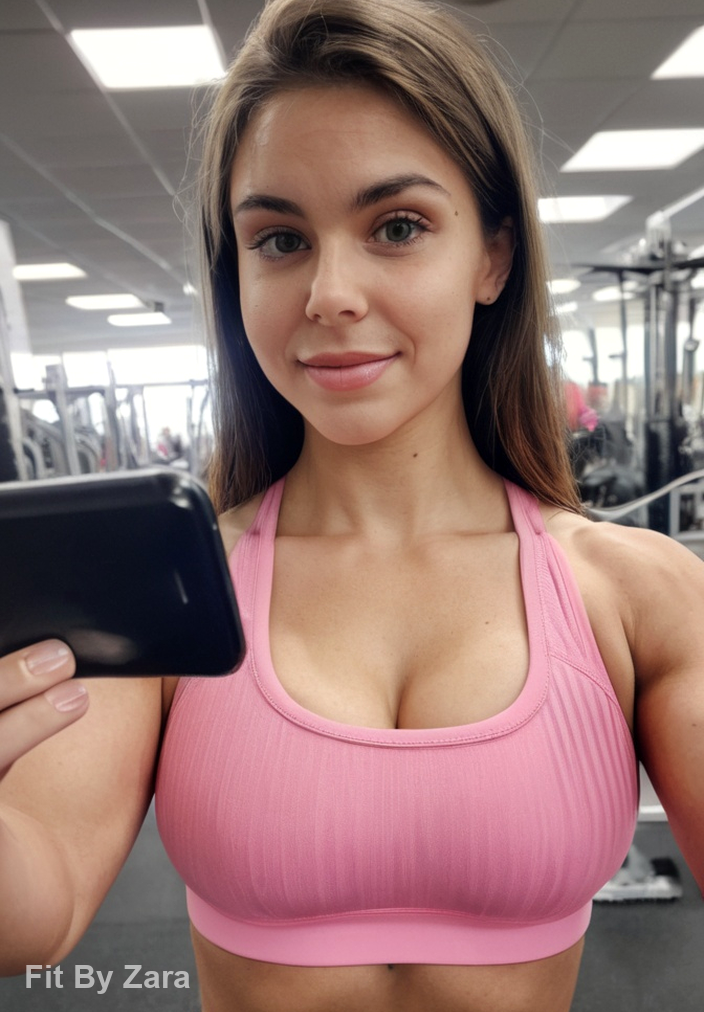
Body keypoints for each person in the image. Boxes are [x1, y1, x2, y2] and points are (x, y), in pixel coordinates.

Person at [1, 1, 703, 1010]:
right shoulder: (169, 590)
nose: (329, 292)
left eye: (397, 226)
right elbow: (34, 905)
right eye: (280, 239)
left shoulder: (641, 595)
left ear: (493, 256)